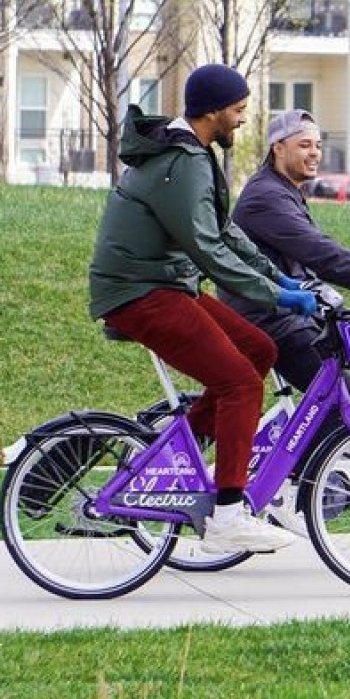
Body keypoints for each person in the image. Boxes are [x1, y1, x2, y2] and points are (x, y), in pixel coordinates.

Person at [88, 63, 315, 555]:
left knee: (259, 349)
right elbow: (206, 246)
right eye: (237, 110)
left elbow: (226, 231)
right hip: (139, 292)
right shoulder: (183, 158)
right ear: (212, 111)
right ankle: (228, 517)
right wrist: (275, 296)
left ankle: (175, 462)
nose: (241, 120)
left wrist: (275, 275)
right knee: (239, 383)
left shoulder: (192, 152)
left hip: (163, 285)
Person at [225, 109, 350, 414]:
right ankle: (311, 461)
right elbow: (320, 253)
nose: (315, 153)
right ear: (278, 148)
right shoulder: (265, 197)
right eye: (304, 145)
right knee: (339, 399)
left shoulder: (284, 191)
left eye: (317, 145)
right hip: (271, 319)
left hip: (301, 314)